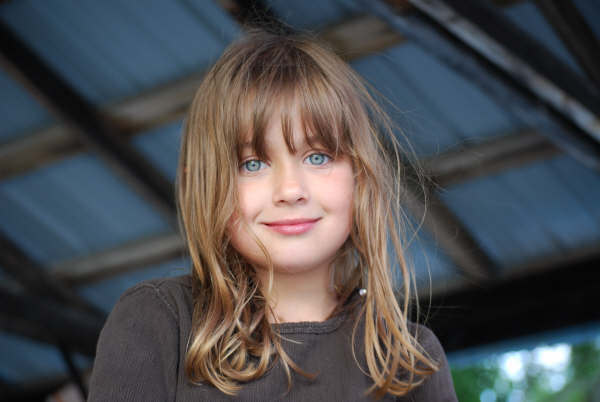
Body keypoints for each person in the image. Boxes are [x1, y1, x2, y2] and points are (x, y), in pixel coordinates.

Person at [87, 30, 457, 401]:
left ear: (360, 175)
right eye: (253, 164)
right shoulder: (159, 320)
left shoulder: (410, 359)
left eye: (318, 157)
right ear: (206, 184)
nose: (291, 190)